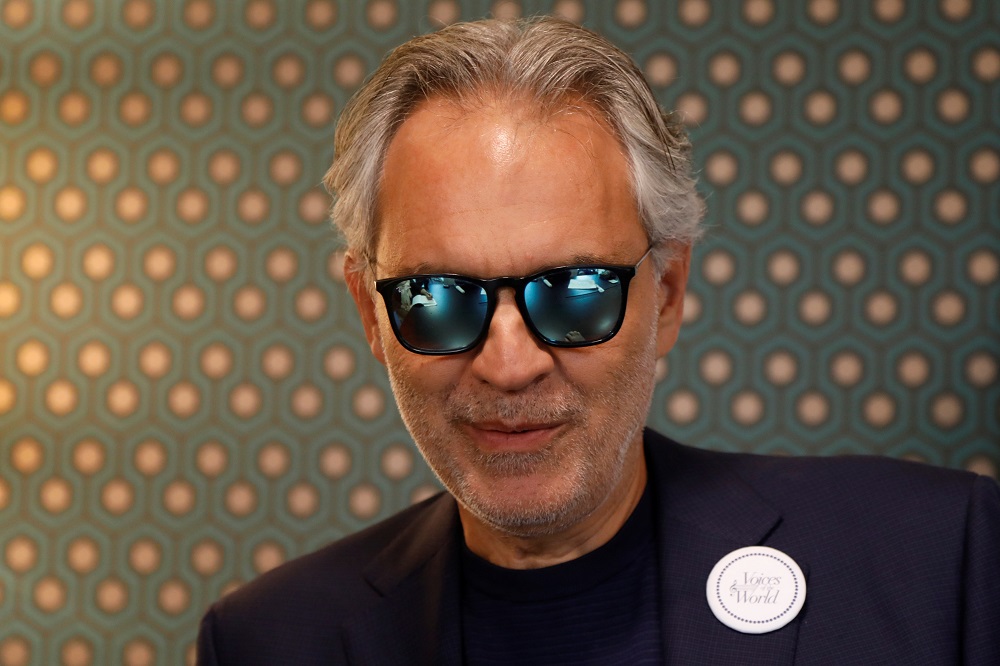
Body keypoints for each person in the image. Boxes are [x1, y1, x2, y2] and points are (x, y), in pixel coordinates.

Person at [196, 16, 999, 665]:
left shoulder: (939, 559)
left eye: (575, 290)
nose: (509, 364)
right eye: (436, 298)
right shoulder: (269, 641)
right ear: (372, 316)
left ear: (668, 293)